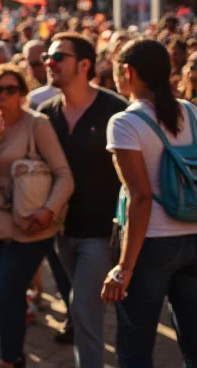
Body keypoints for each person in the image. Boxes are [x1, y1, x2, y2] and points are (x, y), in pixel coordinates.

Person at [103, 39, 197, 367]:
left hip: (151, 245)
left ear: (127, 72)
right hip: (193, 237)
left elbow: (140, 198)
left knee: (136, 344)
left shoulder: (126, 123)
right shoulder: (191, 112)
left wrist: (124, 269)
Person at [0, 64, 74, 368]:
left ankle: (8, 359)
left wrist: (48, 210)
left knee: (5, 293)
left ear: (21, 93)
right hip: (1, 224)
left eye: (11, 90)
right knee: (12, 293)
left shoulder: (37, 125)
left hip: (34, 224)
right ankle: (15, 356)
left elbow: (64, 175)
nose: (4, 96)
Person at [37, 33, 127, 367]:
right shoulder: (45, 113)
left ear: (84, 64)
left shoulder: (115, 111)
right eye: (48, 55)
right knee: (86, 310)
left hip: (102, 233)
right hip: (62, 233)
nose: (49, 62)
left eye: (58, 56)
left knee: (83, 309)